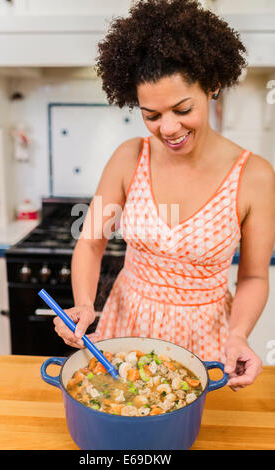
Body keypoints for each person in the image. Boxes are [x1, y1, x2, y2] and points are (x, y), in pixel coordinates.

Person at [54, 0, 275, 391]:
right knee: (120, 415)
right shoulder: (130, 157)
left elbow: (255, 275)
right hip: (127, 321)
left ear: (212, 86)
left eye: (182, 108)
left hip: (205, 335)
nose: (168, 128)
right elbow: (90, 242)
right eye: (151, 115)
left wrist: (238, 335)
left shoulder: (254, 175)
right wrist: (85, 305)